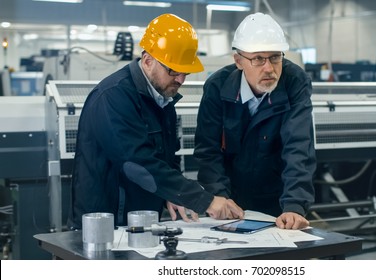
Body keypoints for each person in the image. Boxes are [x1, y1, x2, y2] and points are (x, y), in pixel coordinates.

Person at [67, 13, 244, 230]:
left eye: (185, 72)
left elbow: (166, 160)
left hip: (142, 222)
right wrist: (204, 200)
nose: (180, 79)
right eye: (173, 70)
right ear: (148, 60)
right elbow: (137, 163)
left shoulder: (162, 98)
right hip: (105, 224)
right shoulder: (113, 97)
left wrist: (173, 195)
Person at [194, 13, 316, 230]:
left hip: (278, 200)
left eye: (275, 57)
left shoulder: (294, 82)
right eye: (258, 59)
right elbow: (208, 150)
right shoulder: (217, 87)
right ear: (239, 61)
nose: (269, 68)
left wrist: (295, 205)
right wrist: (218, 196)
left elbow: (299, 147)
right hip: (230, 201)